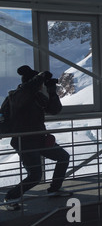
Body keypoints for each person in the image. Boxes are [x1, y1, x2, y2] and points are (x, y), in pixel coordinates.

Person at [1, 65, 71, 211]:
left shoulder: (36, 96)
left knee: (63, 157)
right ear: (32, 82)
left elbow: (54, 110)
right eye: (39, 84)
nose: (40, 86)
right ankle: (11, 197)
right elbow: (25, 92)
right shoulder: (16, 96)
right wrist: (39, 77)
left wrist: (52, 92)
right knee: (35, 175)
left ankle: (54, 189)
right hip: (24, 141)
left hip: (39, 139)